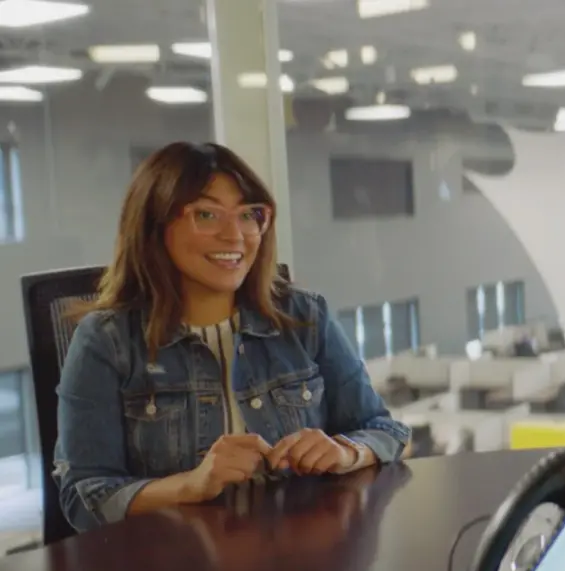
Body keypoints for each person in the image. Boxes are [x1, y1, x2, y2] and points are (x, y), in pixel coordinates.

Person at [54, 141, 411, 532]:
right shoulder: (106, 341)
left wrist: (346, 452)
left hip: (300, 557)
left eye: (249, 215)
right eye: (206, 214)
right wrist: (190, 485)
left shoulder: (304, 317)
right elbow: (84, 498)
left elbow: (384, 429)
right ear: (154, 224)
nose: (235, 235)